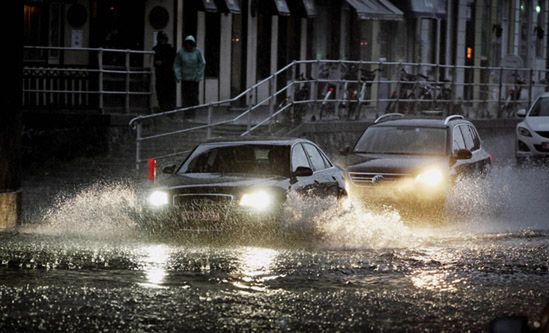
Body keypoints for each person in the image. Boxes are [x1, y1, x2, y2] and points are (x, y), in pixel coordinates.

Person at [173, 35, 205, 118]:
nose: (188, 46)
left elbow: (202, 63)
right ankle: (186, 114)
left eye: (190, 44)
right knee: (185, 97)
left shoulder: (197, 52)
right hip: (185, 78)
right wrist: (178, 75)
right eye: (187, 44)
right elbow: (177, 64)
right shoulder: (181, 52)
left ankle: (192, 114)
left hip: (194, 79)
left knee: (193, 97)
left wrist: (198, 75)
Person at [152, 31, 176, 112]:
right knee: (161, 93)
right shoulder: (155, 49)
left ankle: (170, 110)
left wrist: (162, 62)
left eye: (164, 39)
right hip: (160, 74)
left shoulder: (170, 49)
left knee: (168, 93)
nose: (162, 41)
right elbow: (153, 62)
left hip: (168, 73)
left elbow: (172, 60)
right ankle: (163, 109)